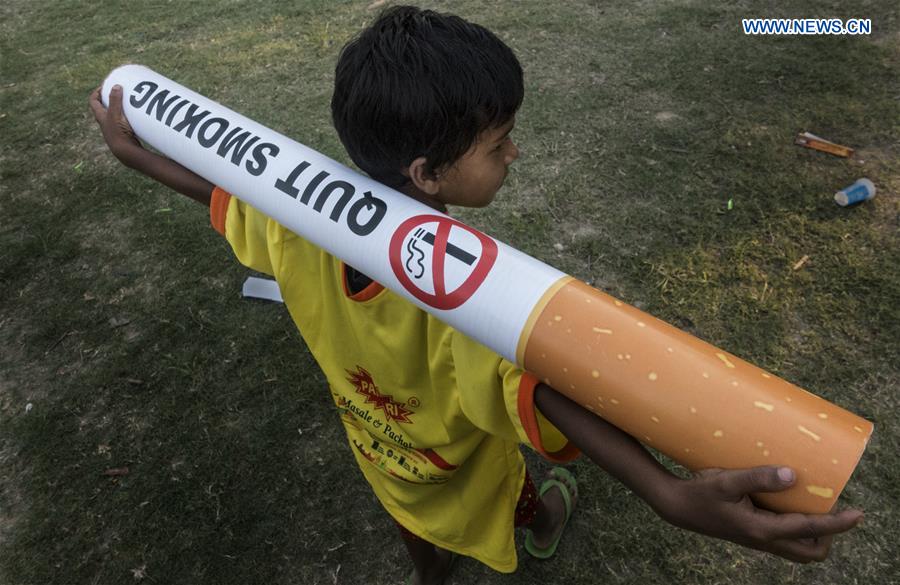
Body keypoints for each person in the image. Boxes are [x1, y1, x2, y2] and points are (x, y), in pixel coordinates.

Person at [90, 6, 863, 585]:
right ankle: (542, 517)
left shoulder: (295, 227)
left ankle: (430, 575)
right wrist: (663, 491)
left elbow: (222, 196)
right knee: (516, 497)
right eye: (497, 145)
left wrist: (134, 154)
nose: (514, 153)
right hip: (458, 464)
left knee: (409, 518)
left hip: (376, 449)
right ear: (427, 175)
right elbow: (557, 395)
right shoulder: (463, 306)